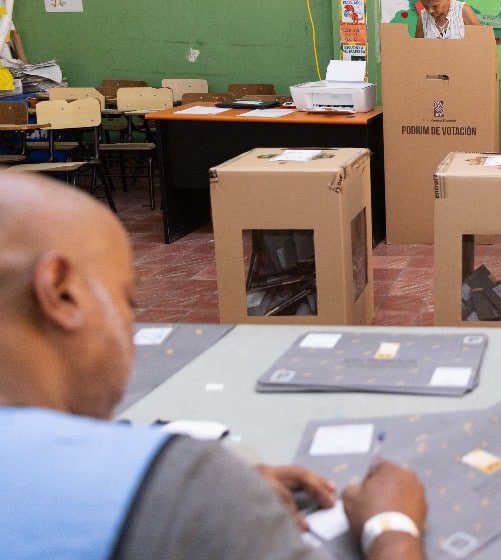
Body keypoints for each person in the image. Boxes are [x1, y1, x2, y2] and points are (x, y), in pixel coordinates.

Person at [0, 174, 427, 560]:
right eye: (127, 301)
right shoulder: (182, 489)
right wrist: (391, 527)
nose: (133, 327)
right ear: (60, 293)